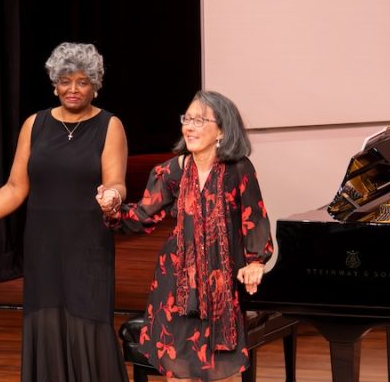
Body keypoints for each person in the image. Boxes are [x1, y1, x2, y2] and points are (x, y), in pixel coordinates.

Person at [0, 42, 129, 382]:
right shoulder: (35, 125)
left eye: (82, 81)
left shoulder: (110, 125)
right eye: (65, 80)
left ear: (95, 84)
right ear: (54, 83)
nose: (72, 89)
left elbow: (116, 182)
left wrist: (112, 197)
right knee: (45, 321)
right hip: (43, 245)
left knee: (89, 321)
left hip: (87, 245)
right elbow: (15, 188)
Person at [96, 90, 274, 382]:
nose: (189, 127)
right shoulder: (170, 172)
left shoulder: (238, 169)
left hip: (221, 289)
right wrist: (113, 208)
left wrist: (256, 262)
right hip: (176, 290)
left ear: (222, 130)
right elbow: (143, 218)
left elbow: (254, 219)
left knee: (219, 372)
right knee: (178, 375)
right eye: (187, 119)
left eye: (199, 121)